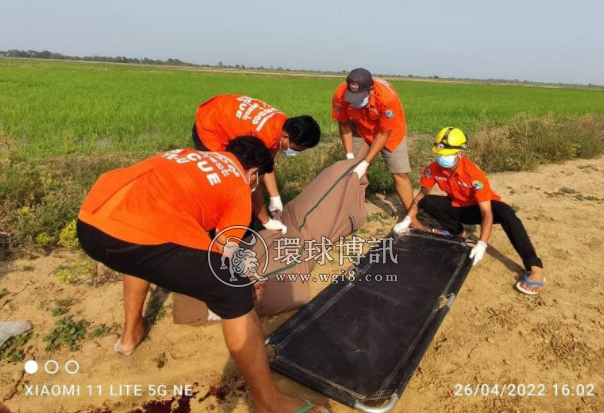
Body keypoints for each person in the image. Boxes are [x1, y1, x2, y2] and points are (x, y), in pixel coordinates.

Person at [77, 136, 328, 413]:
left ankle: (130, 335)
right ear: (254, 173)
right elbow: (226, 251)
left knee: (143, 249)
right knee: (233, 289)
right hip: (137, 235)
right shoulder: (237, 185)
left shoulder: (189, 154)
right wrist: (249, 279)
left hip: (92, 222)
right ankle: (270, 403)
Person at [395, 127, 546, 296]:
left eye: (446, 154)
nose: (441, 158)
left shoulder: (473, 174)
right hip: (458, 206)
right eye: (438, 153)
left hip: (479, 209)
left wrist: (482, 243)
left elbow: (486, 213)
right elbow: (422, 194)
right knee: (427, 201)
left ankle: (534, 267)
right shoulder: (433, 169)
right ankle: (459, 235)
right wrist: (407, 219)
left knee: (507, 213)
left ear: (460, 153)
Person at [193, 94, 321, 233]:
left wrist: (274, 197)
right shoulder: (262, 136)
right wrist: (266, 221)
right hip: (211, 124)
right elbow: (251, 180)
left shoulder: (282, 125)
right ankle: (218, 227)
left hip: (226, 113)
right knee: (226, 176)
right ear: (285, 137)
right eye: (295, 149)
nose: (295, 153)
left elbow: (266, 163)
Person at [332, 68, 414, 213]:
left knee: (400, 173)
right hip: (361, 128)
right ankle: (353, 211)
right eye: (352, 96)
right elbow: (344, 123)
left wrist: (366, 162)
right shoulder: (341, 94)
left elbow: (383, 134)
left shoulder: (386, 98)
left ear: (371, 89)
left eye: (359, 97)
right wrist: (350, 155)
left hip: (390, 132)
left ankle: (411, 216)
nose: (355, 101)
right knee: (353, 170)